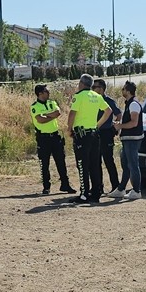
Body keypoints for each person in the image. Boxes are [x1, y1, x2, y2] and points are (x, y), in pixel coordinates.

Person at [66, 73, 111, 203]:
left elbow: (72, 113)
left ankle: (84, 194)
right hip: (94, 134)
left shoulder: (79, 96)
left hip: (82, 135)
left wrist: (69, 129)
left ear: (81, 83)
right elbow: (108, 111)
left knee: (82, 164)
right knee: (94, 164)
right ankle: (96, 193)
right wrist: (97, 125)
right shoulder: (96, 96)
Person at [30, 84, 76, 195]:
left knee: (61, 161)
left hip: (55, 137)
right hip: (43, 138)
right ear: (40, 93)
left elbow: (58, 113)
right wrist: (51, 116)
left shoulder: (52, 102)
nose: (48, 93)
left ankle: (65, 184)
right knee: (44, 163)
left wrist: (46, 115)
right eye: (46, 91)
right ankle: (46, 187)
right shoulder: (35, 106)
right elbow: (40, 120)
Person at [109, 81, 144, 200]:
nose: (122, 91)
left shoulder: (133, 104)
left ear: (128, 91)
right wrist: (120, 124)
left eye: (123, 89)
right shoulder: (129, 104)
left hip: (132, 139)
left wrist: (120, 126)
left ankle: (137, 190)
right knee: (126, 164)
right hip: (127, 139)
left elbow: (134, 123)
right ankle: (121, 189)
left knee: (133, 165)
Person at [92, 78, 121, 197]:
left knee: (108, 160)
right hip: (95, 133)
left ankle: (116, 186)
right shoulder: (93, 100)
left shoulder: (109, 101)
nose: (93, 89)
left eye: (95, 87)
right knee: (96, 161)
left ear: (102, 88)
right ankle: (99, 187)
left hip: (106, 133)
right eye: (92, 87)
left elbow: (118, 114)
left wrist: (115, 126)